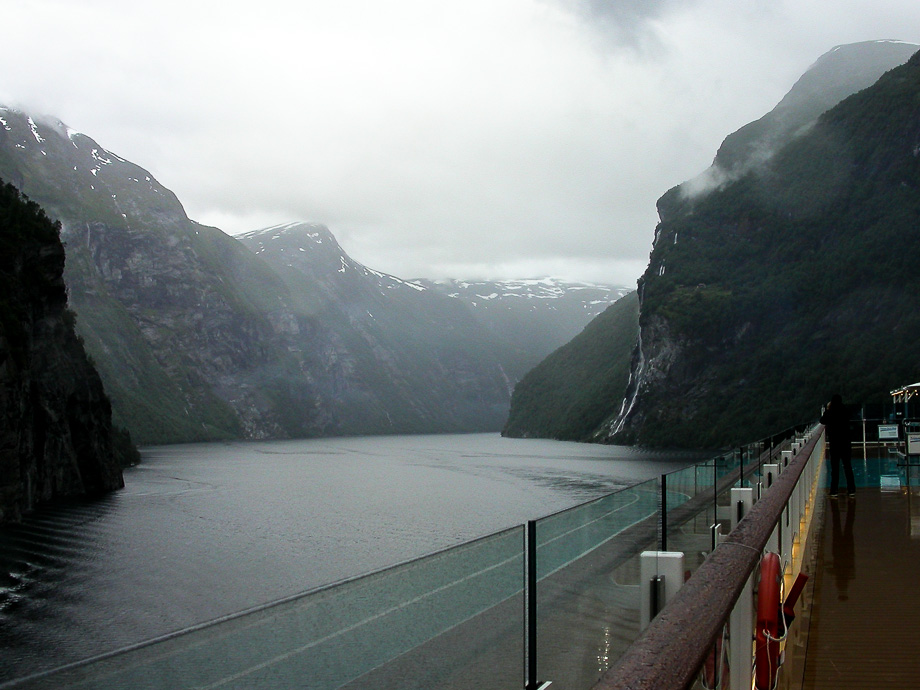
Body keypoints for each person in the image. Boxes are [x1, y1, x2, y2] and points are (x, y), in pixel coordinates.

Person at [820, 394, 856, 496]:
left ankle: (834, 490)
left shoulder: (830, 412)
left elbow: (822, 420)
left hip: (835, 443)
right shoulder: (845, 410)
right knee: (848, 467)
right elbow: (850, 415)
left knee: (835, 468)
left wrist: (827, 409)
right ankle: (851, 489)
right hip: (846, 443)